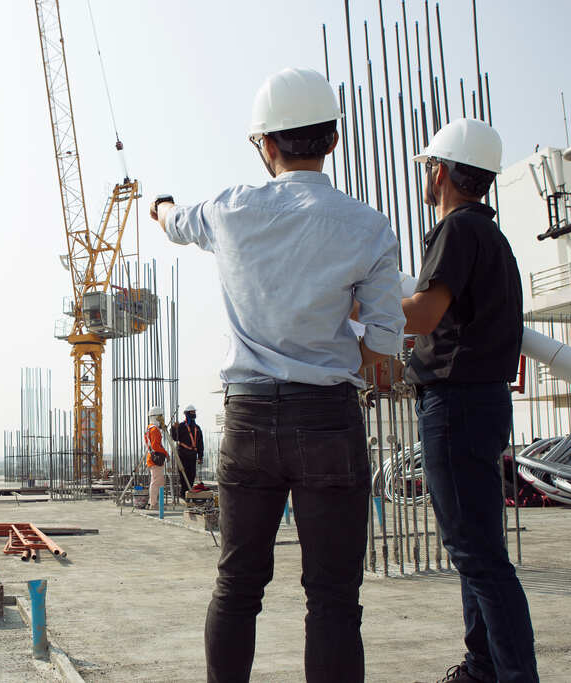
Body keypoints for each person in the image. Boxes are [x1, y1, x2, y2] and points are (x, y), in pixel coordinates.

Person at [152, 68, 405, 683]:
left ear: (266, 144)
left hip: (249, 421)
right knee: (334, 599)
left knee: (238, 585)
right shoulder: (367, 225)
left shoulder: (232, 209)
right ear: (334, 140)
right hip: (328, 420)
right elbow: (385, 348)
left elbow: (174, 221)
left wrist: (159, 206)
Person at [403, 118, 537, 683]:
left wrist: (350, 306)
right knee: (474, 549)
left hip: (455, 405)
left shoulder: (457, 231)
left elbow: (425, 315)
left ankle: (511, 674)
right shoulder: (493, 237)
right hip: (478, 404)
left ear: (441, 172)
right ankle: (484, 666)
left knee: (478, 555)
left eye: (429, 170)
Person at [170, 404, 204, 499]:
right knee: (183, 476)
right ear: (187, 414)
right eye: (192, 412)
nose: (194, 414)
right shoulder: (181, 426)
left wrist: (200, 456)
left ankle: (188, 493)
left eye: (194, 412)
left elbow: (200, 443)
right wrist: (173, 428)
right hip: (183, 454)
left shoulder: (197, 428)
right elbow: (175, 438)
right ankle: (183, 494)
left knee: (191, 475)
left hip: (192, 455)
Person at [144, 405, 168, 510]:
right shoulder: (154, 430)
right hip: (156, 459)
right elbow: (155, 446)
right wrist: (166, 453)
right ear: (157, 417)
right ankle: (153, 504)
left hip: (152, 458)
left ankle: (154, 502)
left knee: (157, 481)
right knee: (156, 482)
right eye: (160, 417)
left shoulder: (149, 428)